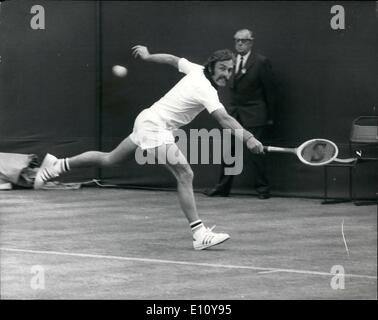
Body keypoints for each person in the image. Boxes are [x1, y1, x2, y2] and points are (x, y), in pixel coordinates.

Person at [34, 45, 264, 250]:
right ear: (212, 66)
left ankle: (56, 165)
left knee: (110, 160)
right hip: (154, 125)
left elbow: (173, 59)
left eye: (230, 70)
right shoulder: (207, 89)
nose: (227, 74)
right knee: (185, 173)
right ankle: (199, 233)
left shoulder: (196, 70)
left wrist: (148, 56)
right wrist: (250, 138)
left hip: (148, 119)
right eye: (223, 68)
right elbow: (224, 119)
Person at [204, 29, 277, 199]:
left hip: (255, 113)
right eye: (237, 41)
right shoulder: (231, 61)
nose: (240, 44)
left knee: (256, 153)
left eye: (243, 41)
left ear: (251, 42)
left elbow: (270, 91)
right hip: (235, 114)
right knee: (229, 151)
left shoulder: (261, 62)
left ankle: (263, 189)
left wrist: (270, 116)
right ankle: (223, 189)